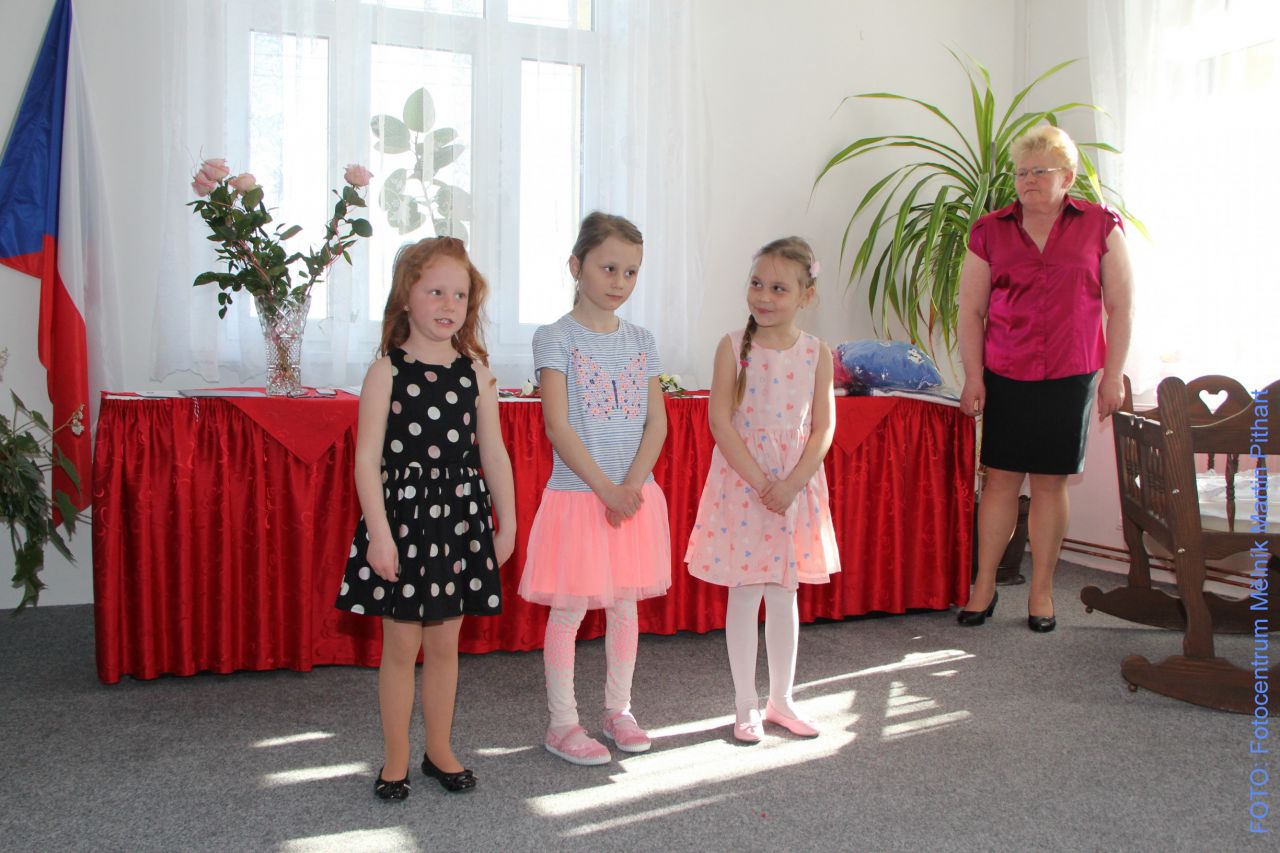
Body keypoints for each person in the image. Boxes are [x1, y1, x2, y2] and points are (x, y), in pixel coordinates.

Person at [335, 237, 516, 800]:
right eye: (435, 291)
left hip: (459, 523)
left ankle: (439, 749)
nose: (448, 304)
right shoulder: (386, 371)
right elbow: (366, 460)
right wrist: (380, 536)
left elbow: (494, 454)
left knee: (444, 646)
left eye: (459, 295)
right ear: (406, 297)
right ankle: (395, 757)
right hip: (404, 524)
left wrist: (507, 524)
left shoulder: (476, 374)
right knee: (400, 647)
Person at [957, 124, 1134, 633]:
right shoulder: (989, 230)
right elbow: (971, 312)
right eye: (1021, 172)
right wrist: (974, 377)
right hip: (1006, 372)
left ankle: (1041, 593)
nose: (1028, 180)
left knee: (1051, 483)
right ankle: (984, 586)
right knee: (1000, 481)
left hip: (1071, 374)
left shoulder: (1100, 225)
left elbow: (1121, 307)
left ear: (1068, 177)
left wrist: (1113, 377)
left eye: (1040, 171)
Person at [518, 211, 672, 766]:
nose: (619, 282)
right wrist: (606, 489)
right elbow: (557, 425)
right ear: (576, 266)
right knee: (570, 611)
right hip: (580, 498)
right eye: (609, 268)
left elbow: (657, 423)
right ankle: (562, 723)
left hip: (632, 498)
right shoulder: (555, 338)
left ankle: (618, 710)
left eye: (631, 272)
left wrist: (630, 487)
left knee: (625, 607)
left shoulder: (642, 340)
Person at [685, 236, 840, 743]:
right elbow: (720, 422)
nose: (764, 296)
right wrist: (761, 483)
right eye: (757, 283)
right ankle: (744, 704)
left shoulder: (816, 353)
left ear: (806, 296)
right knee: (746, 591)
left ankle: (782, 700)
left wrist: (791, 485)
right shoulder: (732, 346)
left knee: (784, 594)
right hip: (745, 486)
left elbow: (823, 427)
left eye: (778, 288)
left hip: (794, 487)